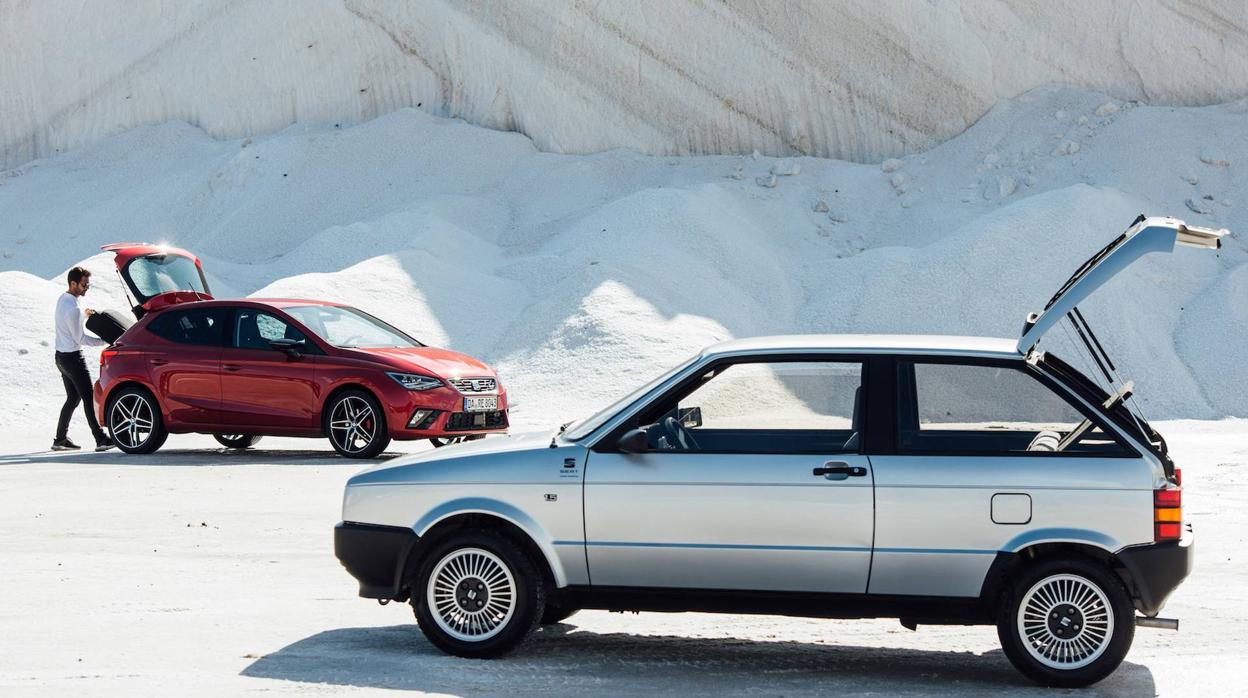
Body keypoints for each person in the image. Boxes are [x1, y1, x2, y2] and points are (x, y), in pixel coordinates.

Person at [53, 267, 114, 451]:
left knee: (73, 398)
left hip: (61, 357)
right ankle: (101, 439)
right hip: (73, 359)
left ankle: (60, 439)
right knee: (88, 397)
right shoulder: (73, 309)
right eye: (83, 284)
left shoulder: (64, 299)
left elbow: (71, 321)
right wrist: (104, 340)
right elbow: (81, 339)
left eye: (88, 284)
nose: (87, 287)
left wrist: (83, 315)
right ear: (73, 283)